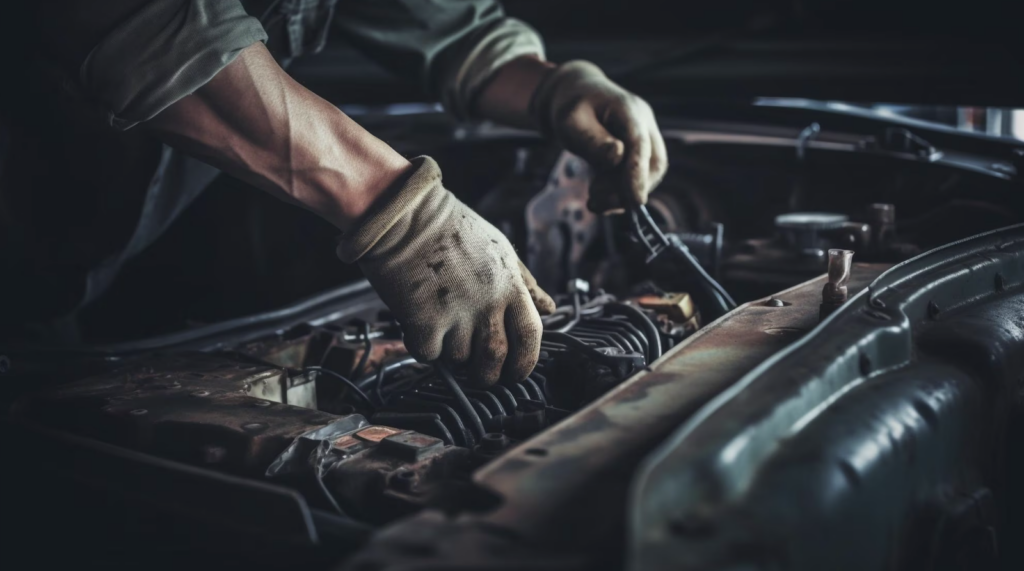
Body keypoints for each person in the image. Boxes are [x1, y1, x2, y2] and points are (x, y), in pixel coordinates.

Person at [0, 1, 667, 384]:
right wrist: (404, 214)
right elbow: (155, 28)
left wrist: (551, 87)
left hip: (60, 276)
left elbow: (442, 26)